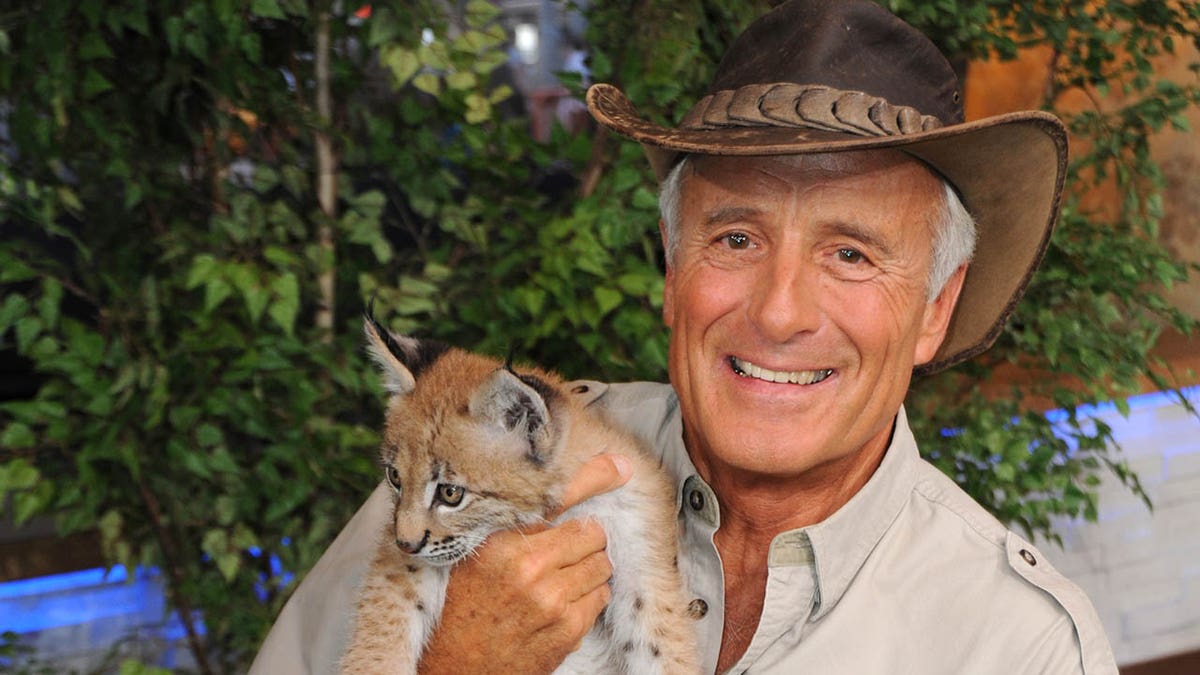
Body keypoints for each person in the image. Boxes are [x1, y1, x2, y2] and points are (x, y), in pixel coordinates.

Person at [250, 1, 1117, 672]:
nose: (779, 312)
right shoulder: (475, 463)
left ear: (935, 307)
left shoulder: (1021, 645)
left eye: (851, 253)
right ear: (671, 269)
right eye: (735, 239)